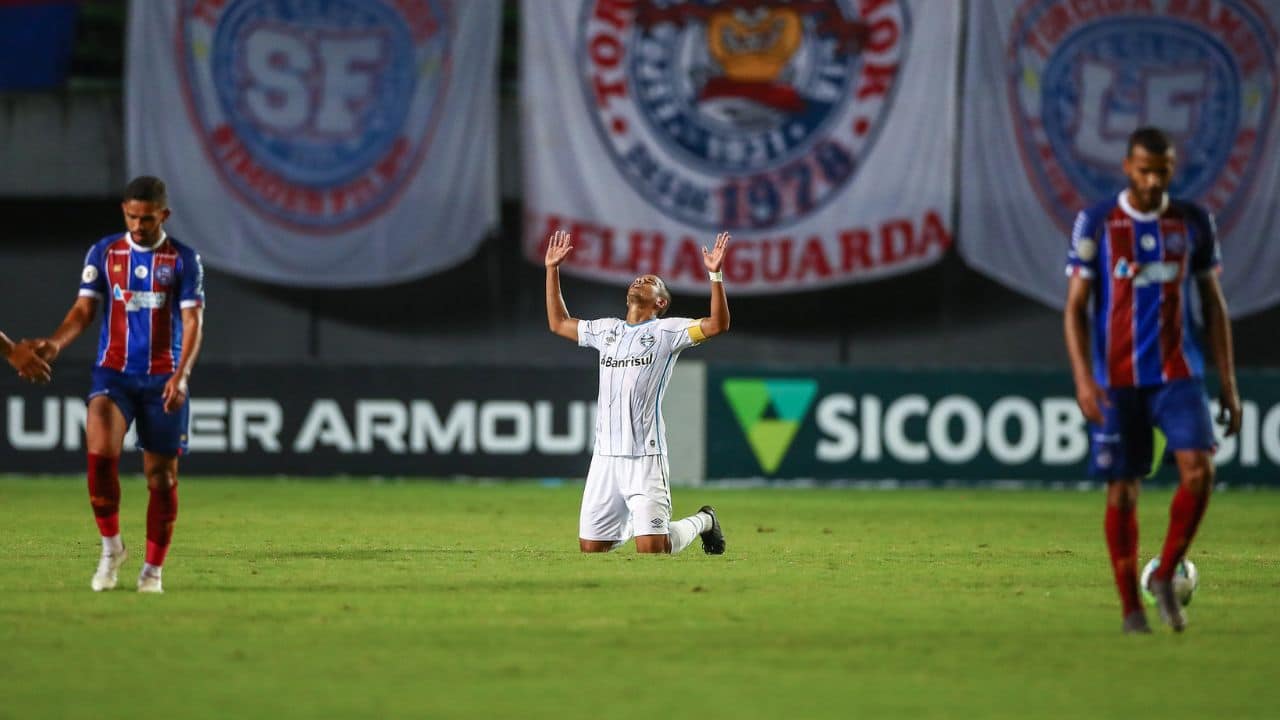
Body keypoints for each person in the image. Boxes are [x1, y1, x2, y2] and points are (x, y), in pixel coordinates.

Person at [1063, 127, 1240, 634]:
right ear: (1126, 166)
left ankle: (1165, 573)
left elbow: (1213, 304)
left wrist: (1228, 381)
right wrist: (1082, 378)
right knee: (1122, 490)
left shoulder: (1192, 223)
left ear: (1171, 168)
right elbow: (1075, 308)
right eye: (1143, 170)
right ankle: (1131, 611)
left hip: (1177, 373)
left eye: (1162, 170)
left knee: (1199, 471)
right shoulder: (1097, 223)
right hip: (1116, 379)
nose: (1152, 179)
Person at [34, 176, 205, 593]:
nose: (138, 225)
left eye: (146, 218)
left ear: (163, 215)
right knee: (99, 452)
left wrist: (181, 376)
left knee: (161, 478)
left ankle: (152, 571)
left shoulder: (184, 260)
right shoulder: (105, 252)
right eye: (131, 216)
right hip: (113, 372)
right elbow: (84, 309)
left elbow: (192, 321)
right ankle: (111, 549)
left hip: (163, 377)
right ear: (124, 213)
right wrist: (55, 343)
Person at [545, 229, 730, 555]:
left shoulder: (668, 331)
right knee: (591, 548)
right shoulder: (606, 330)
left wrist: (714, 274)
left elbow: (717, 325)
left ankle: (704, 520)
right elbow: (559, 324)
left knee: (653, 549)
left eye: (649, 280)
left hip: (645, 455)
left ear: (661, 301)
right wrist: (552, 269)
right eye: (638, 279)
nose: (639, 280)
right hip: (605, 456)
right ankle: (638, 519)